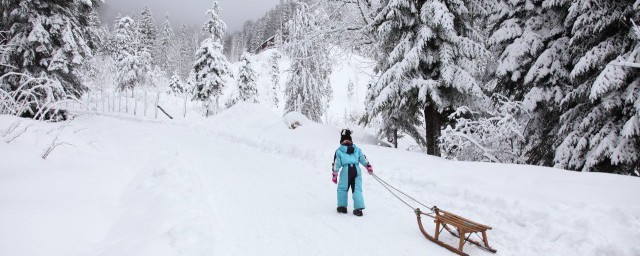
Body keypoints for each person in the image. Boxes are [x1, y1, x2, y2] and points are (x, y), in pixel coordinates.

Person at [332, 129, 373, 217]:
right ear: (350, 139)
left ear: (341, 140)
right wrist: (368, 166)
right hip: (356, 170)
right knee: (357, 189)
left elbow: (336, 163)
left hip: (346, 170)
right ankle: (358, 209)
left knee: (342, 188)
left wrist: (335, 174)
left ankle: (342, 207)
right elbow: (363, 158)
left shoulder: (339, 151)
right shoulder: (357, 149)